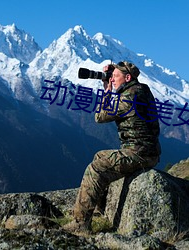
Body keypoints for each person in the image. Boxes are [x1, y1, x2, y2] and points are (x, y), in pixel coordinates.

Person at [63, 61, 161, 233]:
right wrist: (113, 73)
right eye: (112, 76)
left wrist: (106, 91)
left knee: (96, 168)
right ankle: (100, 210)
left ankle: (80, 224)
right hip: (148, 151)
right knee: (100, 156)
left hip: (139, 153)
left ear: (128, 78)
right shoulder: (142, 89)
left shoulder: (129, 98)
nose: (112, 79)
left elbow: (99, 117)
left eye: (116, 77)